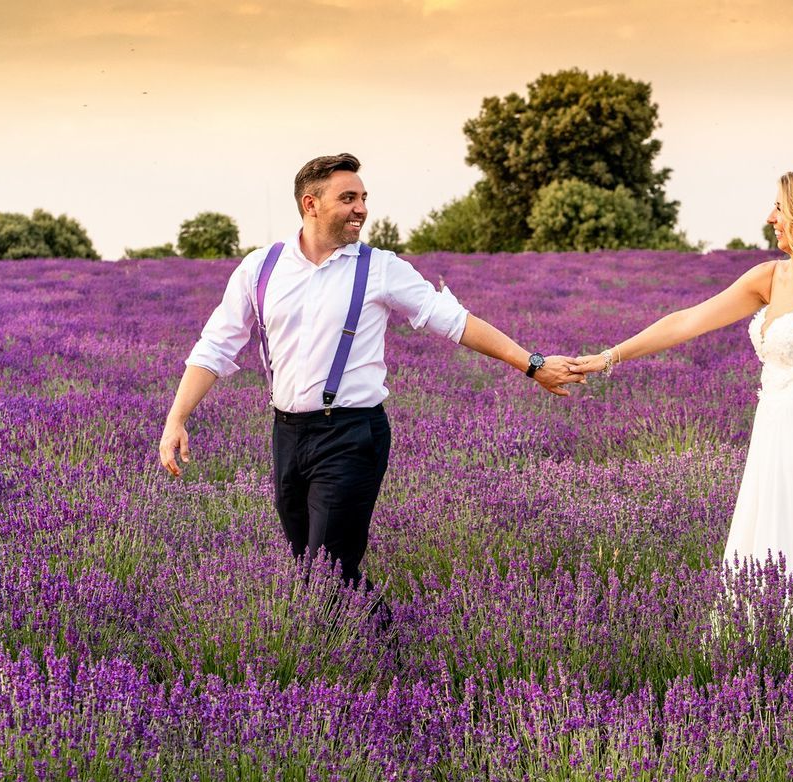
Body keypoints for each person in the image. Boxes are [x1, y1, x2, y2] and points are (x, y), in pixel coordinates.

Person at [159, 153, 581, 595]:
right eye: (348, 198)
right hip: (286, 433)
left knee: (329, 573)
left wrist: (532, 365)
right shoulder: (260, 267)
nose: (361, 208)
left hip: (352, 433)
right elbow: (215, 345)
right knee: (308, 567)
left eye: (363, 197)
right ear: (311, 204)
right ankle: (366, 651)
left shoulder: (379, 267)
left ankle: (388, 652)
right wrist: (176, 419)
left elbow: (454, 321)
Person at [570, 168, 793, 604]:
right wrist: (609, 357)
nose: (771, 217)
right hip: (770, 435)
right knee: (773, 547)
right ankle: (775, 654)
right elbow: (687, 321)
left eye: (780, 207)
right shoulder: (769, 277)